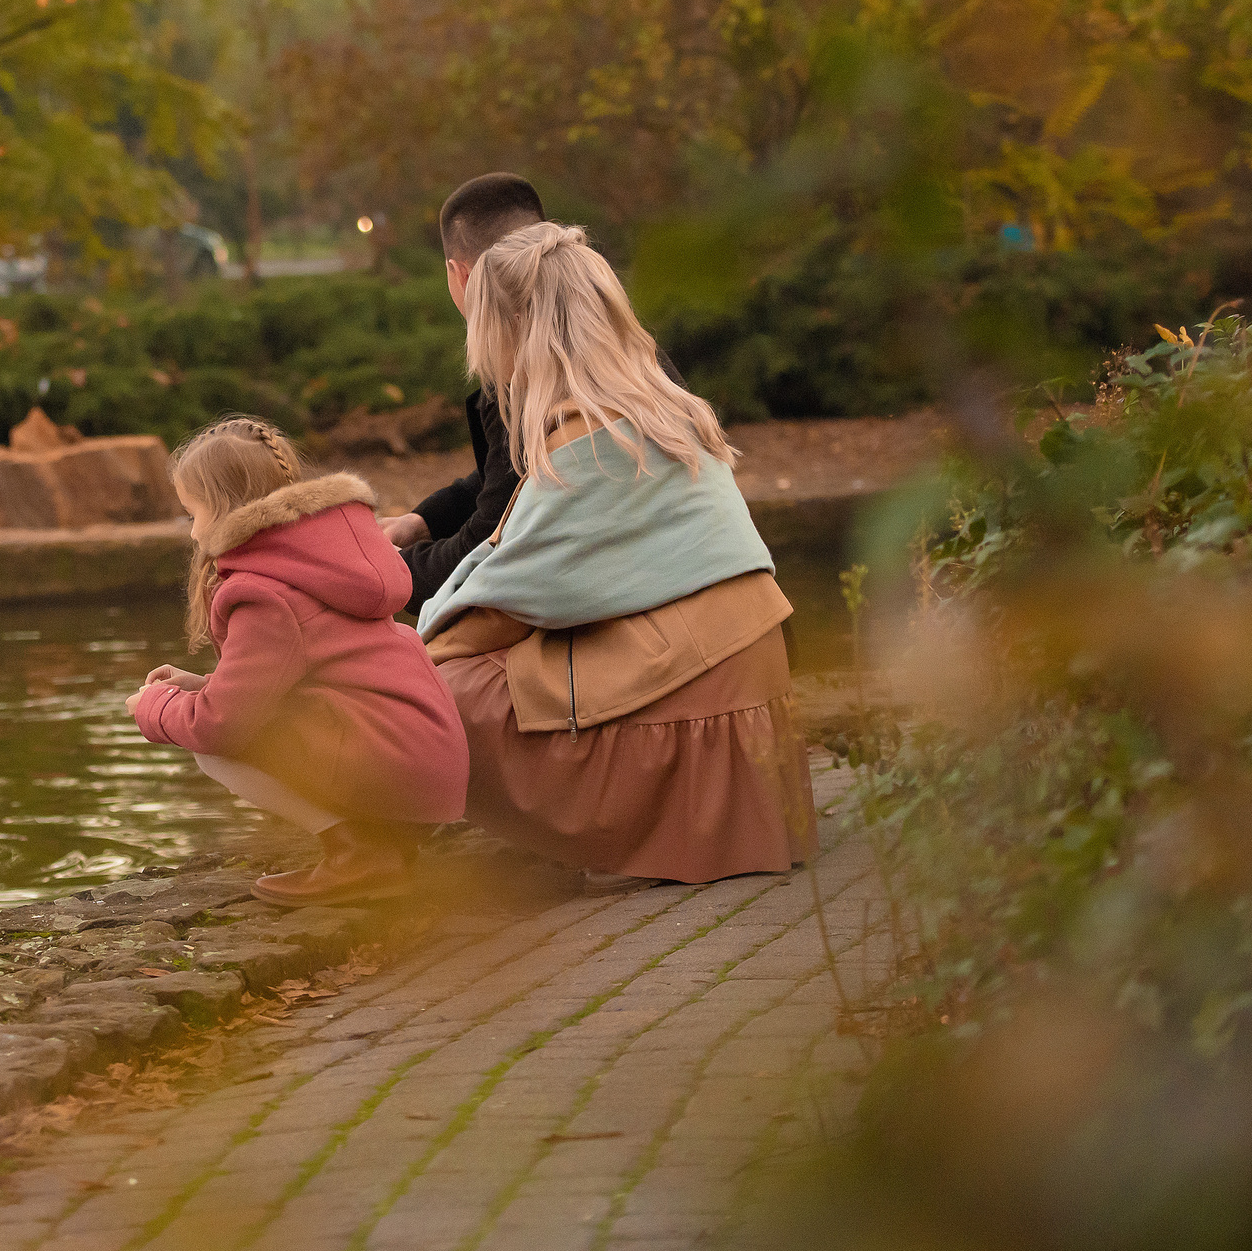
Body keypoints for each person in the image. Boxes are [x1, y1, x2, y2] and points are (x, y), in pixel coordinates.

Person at [418, 223, 815, 888]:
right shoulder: (659, 408)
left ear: (519, 328)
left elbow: (498, 604)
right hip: (734, 679)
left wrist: (398, 661)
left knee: (439, 691)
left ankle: (379, 849)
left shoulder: (589, 439)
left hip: (698, 693)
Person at [131, 417, 469, 907]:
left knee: (213, 748)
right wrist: (200, 681)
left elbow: (220, 724)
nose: (192, 534)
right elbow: (311, 672)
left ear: (224, 509)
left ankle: (359, 855)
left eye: (192, 515)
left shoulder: (261, 592)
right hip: (426, 764)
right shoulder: (322, 560)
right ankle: (386, 843)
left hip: (393, 766)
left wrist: (154, 706)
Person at [379, 173, 543, 610]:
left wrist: (389, 572)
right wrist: (424, 521)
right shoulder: (630, 350)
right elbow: (512, 476)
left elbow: (491, 547)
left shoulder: (525, 371)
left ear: (460, 273)